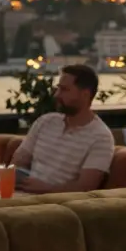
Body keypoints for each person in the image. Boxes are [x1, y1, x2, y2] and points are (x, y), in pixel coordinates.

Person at [12, 65, 116, 194]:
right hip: (19, 196)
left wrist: (46, 188)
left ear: (85, 95)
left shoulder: (101, 137)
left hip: (54, 205)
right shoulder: (46, 121)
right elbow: (18, 161)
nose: (56, 95)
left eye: (64, 90)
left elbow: (85, 188)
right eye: (58, 89)